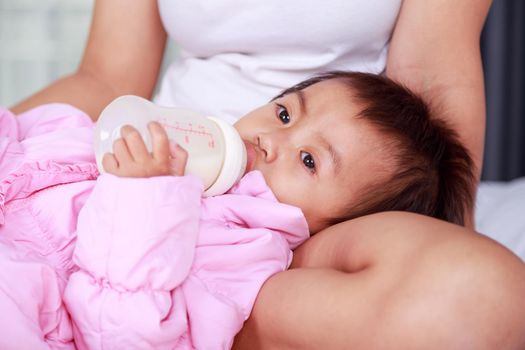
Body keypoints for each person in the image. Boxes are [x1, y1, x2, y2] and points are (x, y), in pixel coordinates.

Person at [9, 1, 525, 349]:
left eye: (306, 159)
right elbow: (98, 85)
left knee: (481, 299)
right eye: (281, 114)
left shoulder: (238, 249)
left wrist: (142, 201)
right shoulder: (139, 155)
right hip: (164, 153)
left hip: (338, 190)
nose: (270, 142)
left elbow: (120, 322)